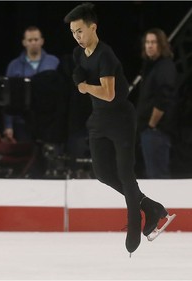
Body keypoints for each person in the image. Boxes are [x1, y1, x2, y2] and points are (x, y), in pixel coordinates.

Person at [64, 3, 175, 255]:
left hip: (120, 120)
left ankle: (136, 227)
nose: (77, 37)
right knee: (103, 173)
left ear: (93, 27)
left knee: (125, 174)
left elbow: (109, 93)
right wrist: (78, 76)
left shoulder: (106, 55)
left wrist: (84, 87)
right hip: (99, 120)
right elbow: (81, 72)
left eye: (80, 31)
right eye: (73, 32)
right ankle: (151, 207)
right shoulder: (79, 54)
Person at [4, 26, 60, 143]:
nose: (33, 43)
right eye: (30, 40)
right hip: (22, 123)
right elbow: (7, 97)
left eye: (36, 39)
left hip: (48, 122)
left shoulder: (54, 62)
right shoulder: (14, 65)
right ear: (24, 42)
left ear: (42, 41)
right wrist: (8, 125)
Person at [136, 28, 178, 179]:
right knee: (153, 177)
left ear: (161, 45)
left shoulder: (165, 66)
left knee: (158, 178)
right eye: (147, 42)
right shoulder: (150, 67)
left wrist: (152, 125)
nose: (150, 45)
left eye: (153, 42)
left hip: (156, 132)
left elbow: (164, 98)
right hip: (149, 131)